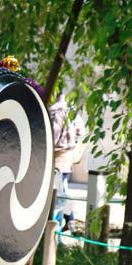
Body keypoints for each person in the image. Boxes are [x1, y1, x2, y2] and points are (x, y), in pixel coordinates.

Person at [49, 92, 86, 230]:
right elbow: (81, 132)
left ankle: (58, 232)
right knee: (61, 193)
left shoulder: (56, 110)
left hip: (56, 159)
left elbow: (52, 137)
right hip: (67, 158)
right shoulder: (72, 109)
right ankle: (69, 219)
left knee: (56, 198)